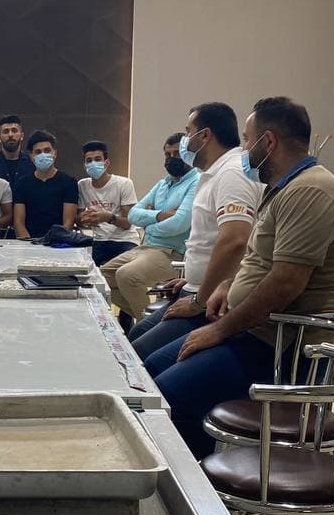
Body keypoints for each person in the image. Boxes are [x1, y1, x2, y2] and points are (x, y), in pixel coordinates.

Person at [143, 97, 334, 459]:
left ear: (269, 141)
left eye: (247, 140)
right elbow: (261, 259)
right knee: (152, 368)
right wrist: (229, 285)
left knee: (168, 393)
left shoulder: (310, 191)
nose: (244, 149)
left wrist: (219, 330)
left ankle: (199, 480)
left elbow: (285, 284)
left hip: (283, 347)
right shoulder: (284, 188)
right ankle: (201, 467)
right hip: (256, 331)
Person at [129, 103, 261, 360]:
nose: (185, 140)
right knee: (135, 337)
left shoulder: (232, 173)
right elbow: (207, 239)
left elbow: (235, 241)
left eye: (188, 132)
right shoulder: (212, 173)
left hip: (211, 302)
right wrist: (190, 279)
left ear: (205, 135)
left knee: (142, 355)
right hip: (196, 289)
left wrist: (199, 299)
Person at [100, 134, 200, 328]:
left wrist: (148, 224)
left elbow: (179, 224)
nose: (171, 159)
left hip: (171, 253)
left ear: (188, 155)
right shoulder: (163, 184)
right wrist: (159, 215)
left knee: (127, 276)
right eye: (168, 155)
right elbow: (132, 215)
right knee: (102, 278)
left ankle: (146, 328)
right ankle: (153, 321)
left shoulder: (196, 182)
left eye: (177, 154)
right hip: (145, 247)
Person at [76, 140, 139, 266]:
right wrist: (84, 219)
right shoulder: (82, 185)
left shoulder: (124, 183)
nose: (93, 163)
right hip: (99, 241)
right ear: (85, 165)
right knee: (86, 269)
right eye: (89, 160)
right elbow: (78, 220)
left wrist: (108, 217)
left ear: (107, 163)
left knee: (125, 270)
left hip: (125, 240)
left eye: (97, 159)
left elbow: (127, 223)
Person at [13, 130, 79, 239]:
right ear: (31, 157)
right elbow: (18, 223)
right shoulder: (22, 184)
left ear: (55, 153)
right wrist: (29, 244)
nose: (43, 154)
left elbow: (68, 224)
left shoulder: (69, 183)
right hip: (29, 243)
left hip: (58, 243)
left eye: (47, 150)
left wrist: (53, 243)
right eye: (38, 152)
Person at [0, 114, 34, 186]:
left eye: (14, 131)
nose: (10, 135)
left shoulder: (32, 163)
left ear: (22, 136)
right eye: (6, 131)